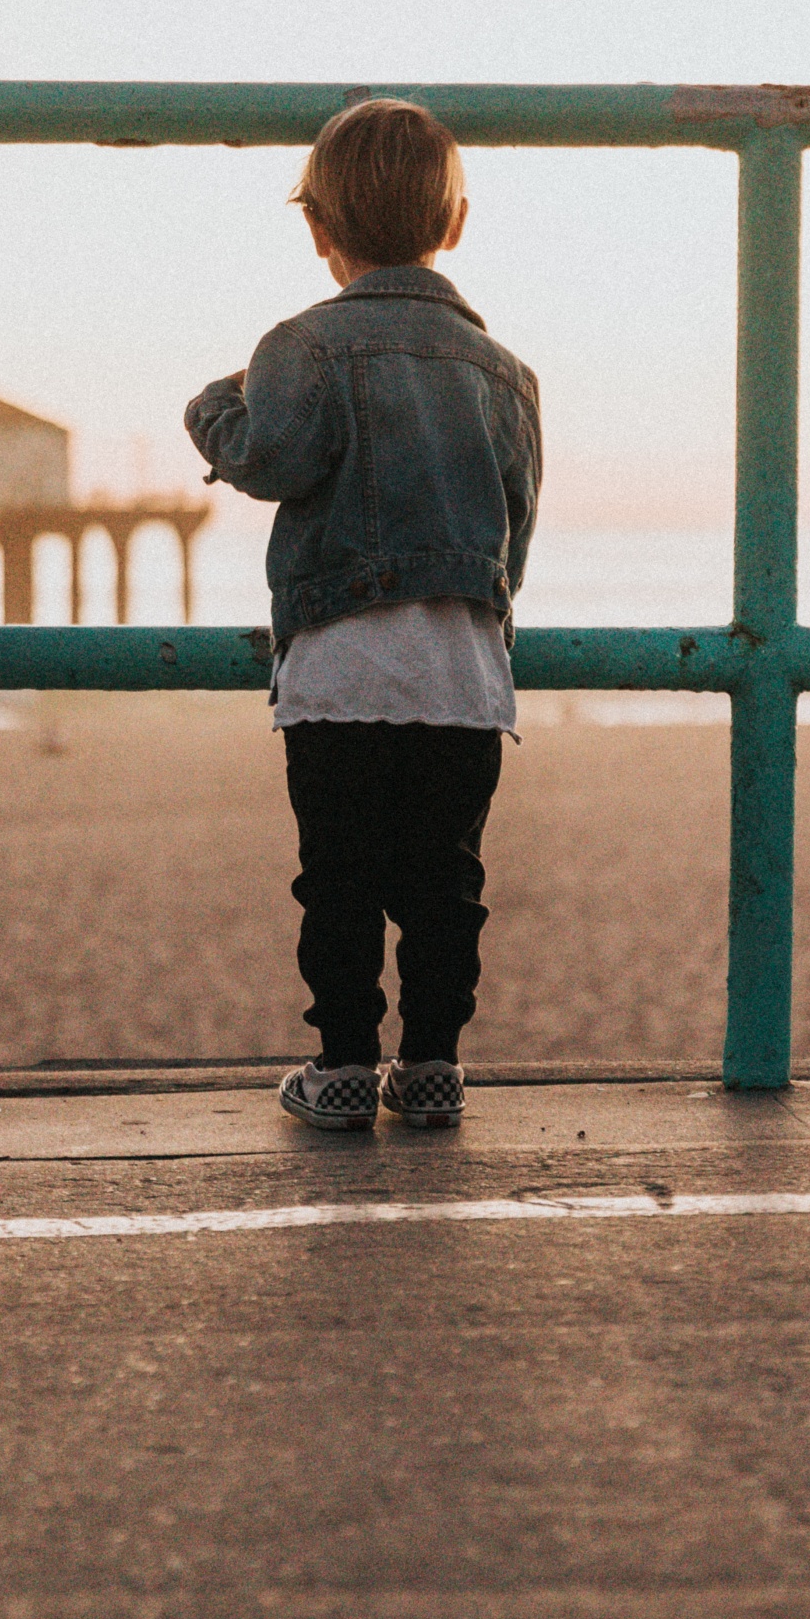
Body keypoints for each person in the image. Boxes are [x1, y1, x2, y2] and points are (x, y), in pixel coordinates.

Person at [185, 98, 542, 1133]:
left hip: (341, 674)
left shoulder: (302, 347)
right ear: (456, 222)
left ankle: (342, 1066)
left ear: (318, 229)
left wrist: (213, 406)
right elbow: (513, 527)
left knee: (335, 882)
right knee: (446, 887)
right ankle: (432, 1065)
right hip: (462, 678)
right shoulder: (505, 373)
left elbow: (270, 459)